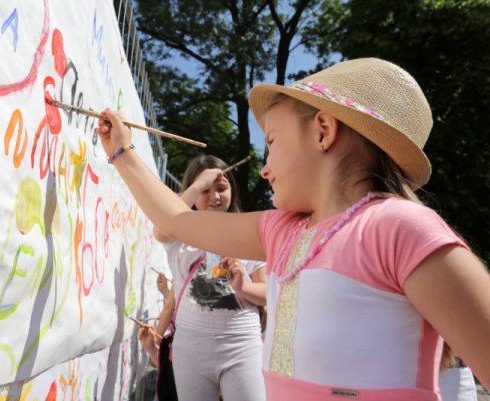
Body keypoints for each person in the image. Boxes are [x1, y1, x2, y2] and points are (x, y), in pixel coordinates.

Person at [97, 58, 490, 401]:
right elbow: (176, 222)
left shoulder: (399, 228)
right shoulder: (281, 230)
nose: (264, 168)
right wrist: (121, 152)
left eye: (270, 142)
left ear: (323, 130)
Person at [149, 155, 267, 401]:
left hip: (242, 344)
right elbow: (161, 227)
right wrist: (196, 185)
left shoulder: (249, 231)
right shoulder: (179, 234)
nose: (214, 197)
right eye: (206, 190)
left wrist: (244, 285)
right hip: (190, 347)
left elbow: (269, 292)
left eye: (221, 189)